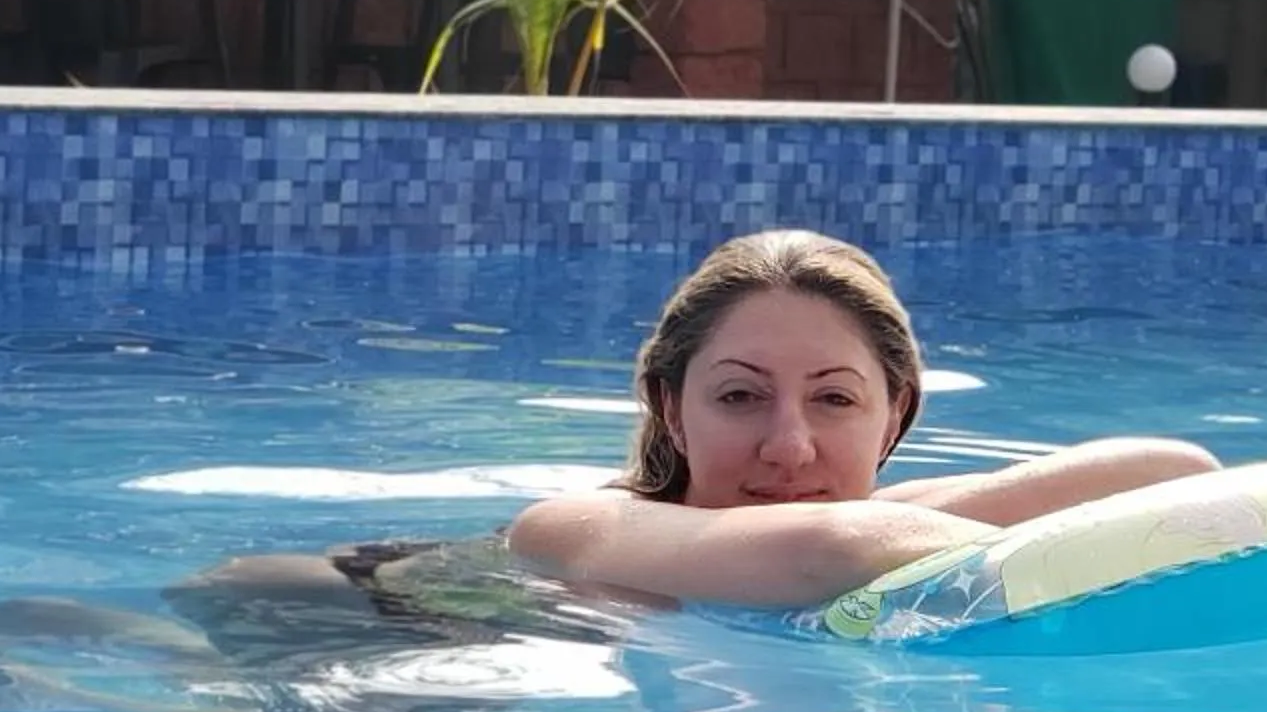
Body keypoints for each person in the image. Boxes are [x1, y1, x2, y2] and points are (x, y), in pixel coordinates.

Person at [510, 229, 1217, 610]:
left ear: (894, 418)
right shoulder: (573, 526)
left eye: (835, 399)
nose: (789, 447)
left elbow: (1176, 473)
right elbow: (834, 550)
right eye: (740, 397)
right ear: (672, 410)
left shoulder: (894, 521)